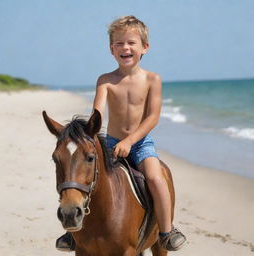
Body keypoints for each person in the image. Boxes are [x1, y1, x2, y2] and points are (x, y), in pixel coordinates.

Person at [56, 15, 186, 252]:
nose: (125, 48)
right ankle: (72, 232)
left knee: (157, 179)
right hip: (111, 143)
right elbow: (97, 114)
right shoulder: (105, 81)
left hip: (140, 144)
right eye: (119, 44)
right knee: (84, 174)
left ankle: (167, 231)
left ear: (144, 47)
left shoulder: (152, 80)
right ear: (111, 49)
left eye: (131, 43)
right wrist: (89, 135)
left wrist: (130, 141)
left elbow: (152, 117)